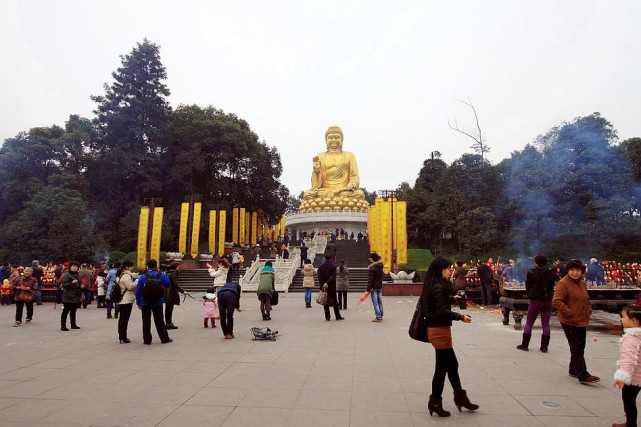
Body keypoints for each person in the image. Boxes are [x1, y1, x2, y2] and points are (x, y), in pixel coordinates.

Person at [422, 257, 478, 417]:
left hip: (439, 329)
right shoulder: (439, 286)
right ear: (441, 270)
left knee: (452, 365)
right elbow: (440, 311)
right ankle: (435, 402)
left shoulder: (434, 284)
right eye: (448, 268)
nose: (450, 271)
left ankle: (460, 397)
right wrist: (460, 316)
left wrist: (450, 299)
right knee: (441, 368)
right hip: (439, 331)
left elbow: (436, 304)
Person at [552, 259, 599, 384]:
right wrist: (569, 312)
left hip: (581, 319)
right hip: (569, 320)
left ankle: (573, 368)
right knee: (576, 347)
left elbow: (586, 299)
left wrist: (588, 310)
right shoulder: (563, 284)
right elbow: (557, 301)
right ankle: (583, 374)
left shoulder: (582, 283)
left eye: (578, 270)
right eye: (572, 270)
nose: (575, 273)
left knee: (580, 345)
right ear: (568, 271)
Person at [516, 254, 555, 352]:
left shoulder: (532, 272)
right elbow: (551, 287)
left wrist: (529, 294)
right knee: (546, 324)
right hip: (548, 301)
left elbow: (528, 285)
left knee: (529, 322)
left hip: (535, 300)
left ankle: (525, 345)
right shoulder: (550, 273)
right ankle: (544, 347)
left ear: (536, 262)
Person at [613, 304, 641, 427]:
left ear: (633, 320)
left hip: (633, 378)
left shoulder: (630, 338)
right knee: (631, 401)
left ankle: (630, 424)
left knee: (629, 402)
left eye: (623, 317)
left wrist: (621, 377)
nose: (621, 320)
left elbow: (627, 359)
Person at [135, 259, 172, 345]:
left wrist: (138, 302)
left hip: (145, 302)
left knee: (146, 321)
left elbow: (138, 290)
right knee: (159, 320)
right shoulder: (161, 275)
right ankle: (164, 338)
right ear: (156, 265)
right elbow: (168, 284)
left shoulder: (143, 276)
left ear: (147, 266)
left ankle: (147, 340)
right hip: (158, 301)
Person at [317, 255, 343, 321]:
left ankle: (327, 316)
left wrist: (324, 283)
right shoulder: (333, 267)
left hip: (324, 287)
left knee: (325, 301)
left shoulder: (320, 267)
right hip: (331, 286)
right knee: (334, 301)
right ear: (331, 259)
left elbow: (319, 278)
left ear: (325, 258)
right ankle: (337, 316)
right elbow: (333, 277)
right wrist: (327, 283)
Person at [117, 260, 136, 343]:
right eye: (131, 266)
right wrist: (137, 281)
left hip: (122, 300)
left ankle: (121, 335)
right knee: (125, 319)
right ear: (127, 267)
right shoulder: (126, 275)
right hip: (126, 299)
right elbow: (130, 286)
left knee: (122, 318)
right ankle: (123, 336)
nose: (132, 267)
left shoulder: (121, 274)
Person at [164, 262, 188, 329]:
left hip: (166, 291)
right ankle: (169, 323)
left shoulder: (167, 272)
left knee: (167, 308)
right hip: (171, 292)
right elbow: (175, 283)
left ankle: (168, 323)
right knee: (169, 308)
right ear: (177, 266)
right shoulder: (174, 272)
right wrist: (182, 291)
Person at [60, 261, 83, 331]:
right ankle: (63, 325)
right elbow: (64, 285)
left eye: (76, 267)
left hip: (76, 295)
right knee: (66, 311)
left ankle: (73, 324)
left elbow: (79, 284)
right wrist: (72, 283)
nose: (74, 268)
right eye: (73, 266)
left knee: (73, 310)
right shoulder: (67, 275)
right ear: (70, 267)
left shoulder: (78, 275)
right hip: (68, 295)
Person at [368, 253, 384, 322]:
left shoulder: (372, 268)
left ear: (373, 259)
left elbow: (371, 279)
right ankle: (381, 315)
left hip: (374, 287)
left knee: (375, 302)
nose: (370, 260)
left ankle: (378, 317)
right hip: (379, 285)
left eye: (371, 259)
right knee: (379, 300)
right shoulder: (380, 266)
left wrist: (368, 289)